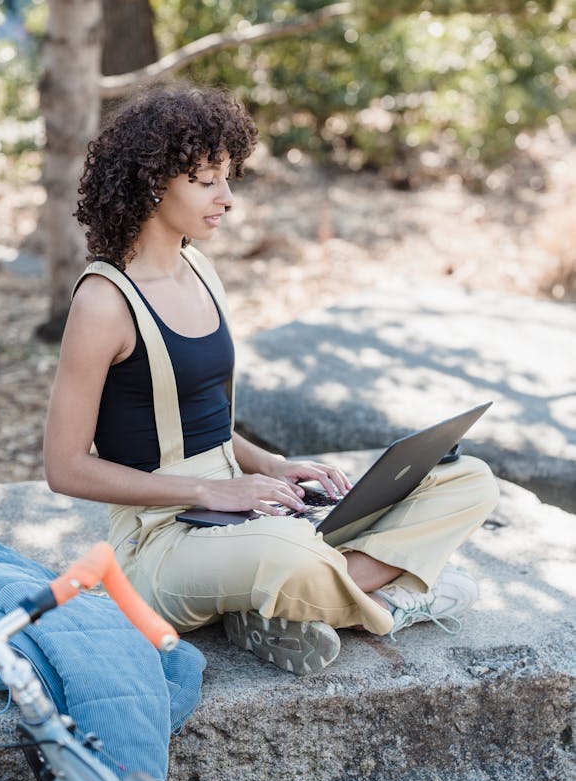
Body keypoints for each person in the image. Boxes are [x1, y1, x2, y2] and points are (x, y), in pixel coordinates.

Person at [43, 84, 500, 675]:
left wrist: (274, 467)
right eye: (206, 180)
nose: (227, 197)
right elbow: (65, 467)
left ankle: (275, 607)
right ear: (152, 182)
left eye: (228, 177)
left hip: (249, 511)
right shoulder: (104, 303)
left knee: (467, 480)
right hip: (160, 544)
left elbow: (197, 425)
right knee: (288, 554)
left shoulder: (199, 270)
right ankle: (393, 600)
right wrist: (211, 492)